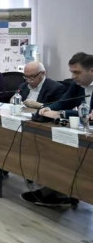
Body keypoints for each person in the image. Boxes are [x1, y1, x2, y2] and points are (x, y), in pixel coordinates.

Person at [26, 52, 93, 208]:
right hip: (82, 131)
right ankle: (57, 190)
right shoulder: (77, 85)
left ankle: (65, 191)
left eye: (77, 72)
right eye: (71, 72)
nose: (73, 77)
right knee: (56, 149)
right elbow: (63, 102)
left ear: (91, 71)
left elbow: (89, 115)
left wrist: (61, 114)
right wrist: (48, 108)